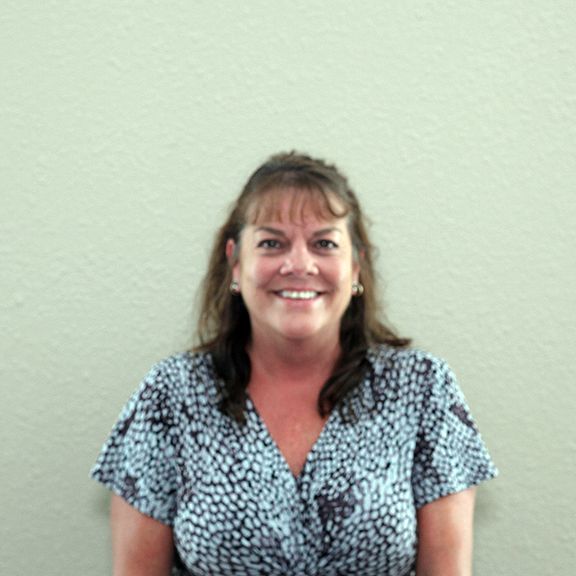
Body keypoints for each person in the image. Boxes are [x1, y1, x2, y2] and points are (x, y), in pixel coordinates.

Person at [91, 152, 498, 576]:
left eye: (324, 244)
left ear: (356, 264)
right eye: (272, 243)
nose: (299, 265)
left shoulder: (423, 389)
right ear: (235, 262)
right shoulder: (170, 395)